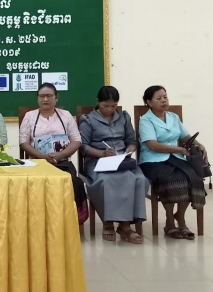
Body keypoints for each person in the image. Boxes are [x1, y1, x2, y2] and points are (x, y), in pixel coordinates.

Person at [79, 86, 149, 243]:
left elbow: (132, 140)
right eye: (106, 106)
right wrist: (101, 153)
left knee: (140, 179)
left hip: (121, 161)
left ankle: (125, 224)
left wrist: (129, 150)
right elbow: (83, 145)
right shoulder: (88, 119)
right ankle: (110, 223)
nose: (110, 109)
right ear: (98, 102)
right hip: (97, 161)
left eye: (114, 106)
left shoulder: (123, 117)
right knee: (107, 180)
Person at [139, 85, 207, 240]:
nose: (164, 100)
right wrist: (179, 150)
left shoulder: (173, 117)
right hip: (152, 160)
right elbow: (153, 145)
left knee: (194, 178)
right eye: (159, 98)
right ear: (149, 102)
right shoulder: (146, 120)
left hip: (175, 158)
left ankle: (180, 217)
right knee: (170, 180)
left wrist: (199, 145)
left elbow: (186, 137)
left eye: (165, 97)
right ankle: (170, 222)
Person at [19, 83, 88, 223]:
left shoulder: (66, 115)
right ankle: (39, 220)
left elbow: (76, 140)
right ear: (37, 98)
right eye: (42, 96)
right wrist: (41, 156)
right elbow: (23, 142)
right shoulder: (29, 116)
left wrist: (60, 155)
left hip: (62, 162)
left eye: (49, 96)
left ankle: (69, 220)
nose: (45, 99)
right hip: (38, 164)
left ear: (56, 98)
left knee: (74, 182)